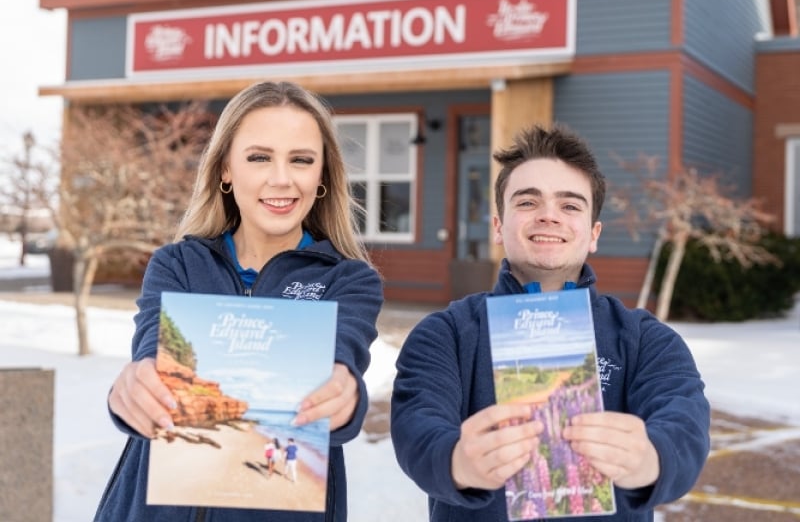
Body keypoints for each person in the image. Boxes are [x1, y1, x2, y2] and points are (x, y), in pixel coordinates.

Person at [94, 80, 384, 522]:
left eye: (301, 160)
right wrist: (129, 391)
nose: (281, 178)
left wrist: (344, 398)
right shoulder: (177, 265)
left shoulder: (349, 281)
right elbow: (151, 358)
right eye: (259, 157)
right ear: (226, 169)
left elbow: (343, 363)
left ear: (322, 175)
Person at [391, 125, 710, 521]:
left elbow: (685, 427)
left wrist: (650, 458)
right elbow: (416, 428)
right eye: (527, 202)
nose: (548, 216)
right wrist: (456, 460)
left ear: (593, 233)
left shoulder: (647, 340)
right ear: (497, 226)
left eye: (570, 205)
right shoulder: (446, 334)